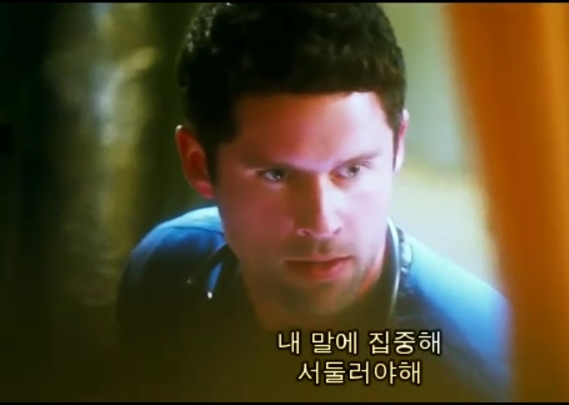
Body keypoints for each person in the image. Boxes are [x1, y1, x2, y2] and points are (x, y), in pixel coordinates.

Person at [115, 3, 510, 402]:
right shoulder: (164, 273)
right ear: (199, 164)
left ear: (397, 145)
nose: (322, 223)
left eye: (352, 170)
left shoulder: (489, 371)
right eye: (277, 175)